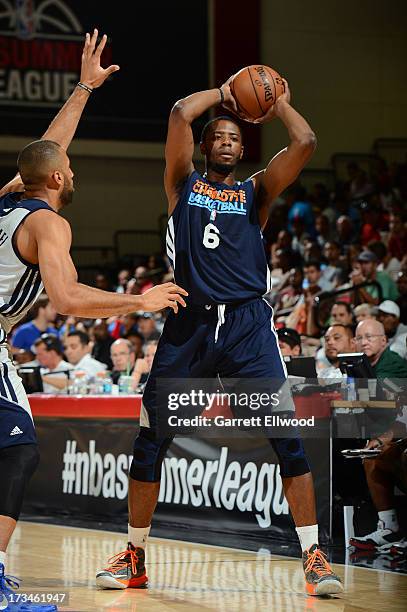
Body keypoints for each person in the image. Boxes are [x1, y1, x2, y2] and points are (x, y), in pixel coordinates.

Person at [96, 76, 343, 595]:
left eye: (235, 136)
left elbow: (306, 144)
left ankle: (313, 557)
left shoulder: (257, 191)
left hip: (249, 326)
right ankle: (134, 556)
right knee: (149, 442)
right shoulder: (181, 182)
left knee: (289, 444)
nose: (229, 142)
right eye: (221, 137)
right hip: (190, 323)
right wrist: (228, 93)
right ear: (206, 147)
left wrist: (278, 104)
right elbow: (180, 113)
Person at [0, 29, 186, 609]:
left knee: (13, 450)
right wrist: (140, 300)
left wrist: (84, 87)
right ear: (56, 180)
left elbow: (45, 149)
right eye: (70, 169)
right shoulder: (50, 225)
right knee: (19, 450)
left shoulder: (10, 196)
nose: (73, 171)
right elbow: (67, 299)